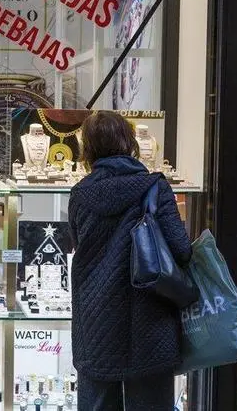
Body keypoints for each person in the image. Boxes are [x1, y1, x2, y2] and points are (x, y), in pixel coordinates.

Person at [68, 111, 192, 411]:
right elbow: (181, 250)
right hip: (150, 318)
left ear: (88, 148)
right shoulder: (155, 187)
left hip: (97, 319)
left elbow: (79, 245)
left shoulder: (80, 194)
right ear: (130, 142)